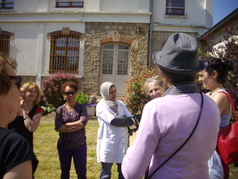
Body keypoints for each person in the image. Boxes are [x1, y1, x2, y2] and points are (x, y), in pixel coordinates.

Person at [122, 32, 220, 179]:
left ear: (163, 73)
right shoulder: (212, 105)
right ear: (194, 72)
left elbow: (132, 173)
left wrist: (133, 145)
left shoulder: (156, 108)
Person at [0, 56, 38, 178]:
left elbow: (32, 128)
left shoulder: (38, 110)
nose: (20, 92)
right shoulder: (11, 146)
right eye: (17, 83)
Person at [199, 57, 234, 179]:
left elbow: (203, 121)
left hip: (215, 150)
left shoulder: (221, 96)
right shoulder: (208, 94)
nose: (200, 79)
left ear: (214, 74)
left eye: (202, 75)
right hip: (207, 147)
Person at [96, 82, 134, 179]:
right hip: (109, 143)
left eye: (115, 91)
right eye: (110, 92)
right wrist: (124, 119)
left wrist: (122, 119)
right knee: (106, 173)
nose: (114, 94)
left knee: (123, 172)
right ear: (105, 93)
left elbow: (132, 120)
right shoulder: (101, 105)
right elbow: (113, 121)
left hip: (121, 142)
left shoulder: (120, 104)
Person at [55, 81, 88, 179]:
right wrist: (76, 124)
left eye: (72, 92)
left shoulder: (81, 108)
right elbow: (58, 127)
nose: (70, 95)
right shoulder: (60, 110)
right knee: (65, 172)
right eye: (67, 93)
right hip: (64, 146)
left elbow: (83, 123)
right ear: (63, 95)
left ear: (76, 93)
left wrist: (67, 125)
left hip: (80, 145)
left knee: (81, 172)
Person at [8, 82, 44, 147]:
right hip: (10, 142)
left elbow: (31, 128)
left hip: (25, 144)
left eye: (35, 92)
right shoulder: (14, 105)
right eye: (30, 91)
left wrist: (24, 111)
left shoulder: (38, 110)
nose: (33, 94)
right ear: (24, 93)